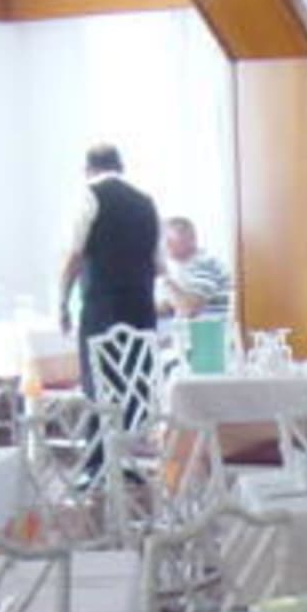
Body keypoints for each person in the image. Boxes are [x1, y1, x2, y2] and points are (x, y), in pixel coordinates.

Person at [57, 143, 161, 444]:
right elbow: (156, 262)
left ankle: (102, 457)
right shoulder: (146, 203)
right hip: (141, 305)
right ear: (121, 167)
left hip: (102, 305)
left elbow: (74, 256)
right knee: (136, 378)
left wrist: (62, 302)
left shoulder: (88, 196)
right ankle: (134, 449)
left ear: (87, 170)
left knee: (100, 381)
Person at [156, 216, 234, 320]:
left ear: (191, 239)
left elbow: (189, 309)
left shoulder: (204, 264)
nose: (164, 245)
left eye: (169, 239)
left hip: (214, 326)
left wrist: (165, 276)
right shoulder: (183, 269)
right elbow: (168, 306)